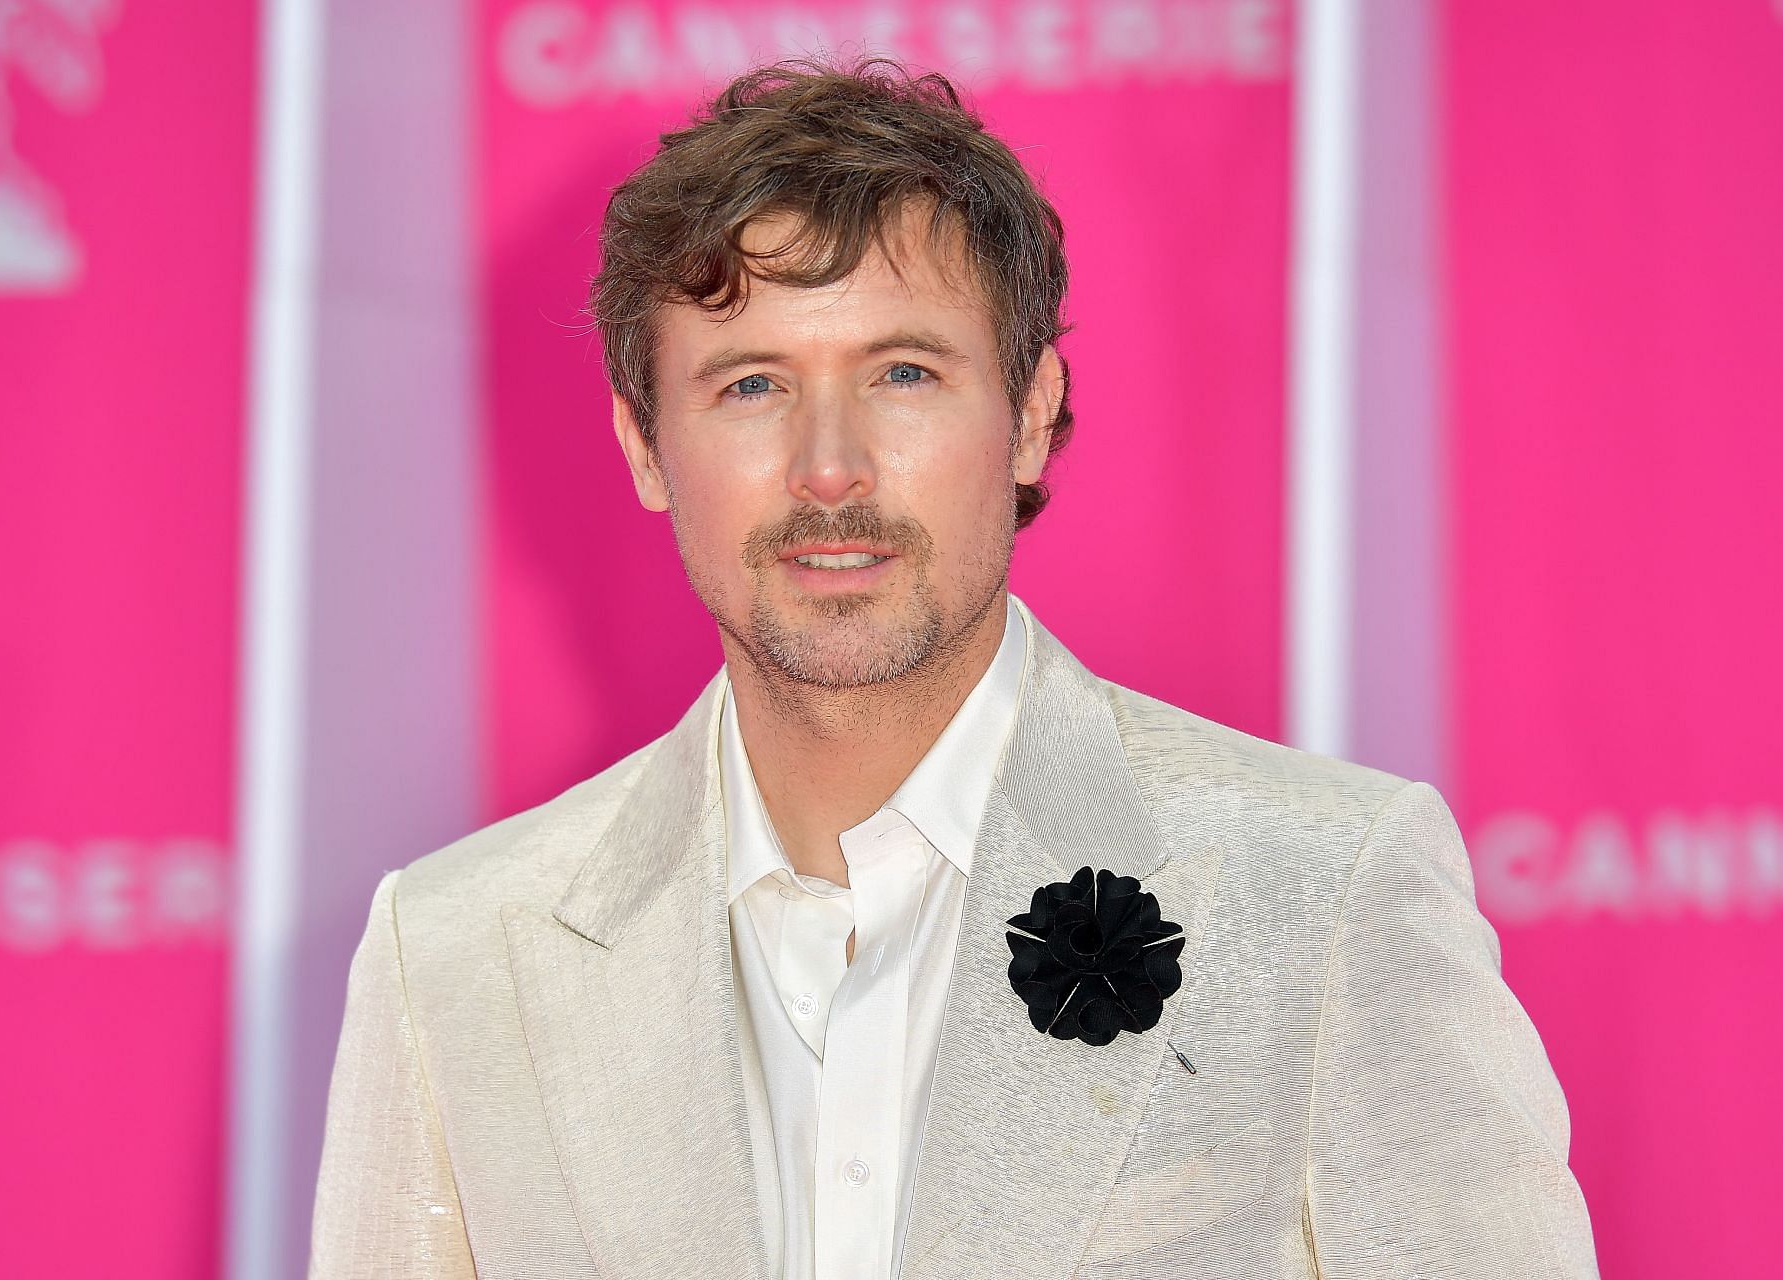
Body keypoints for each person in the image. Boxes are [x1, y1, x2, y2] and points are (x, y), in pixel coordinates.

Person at [309, 54, 1598, 1280]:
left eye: (905, 373)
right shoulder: (461, 956)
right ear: (646, 447)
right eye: (751, 385)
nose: (831, 468)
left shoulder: (1324, 894)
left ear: (1031, 414)